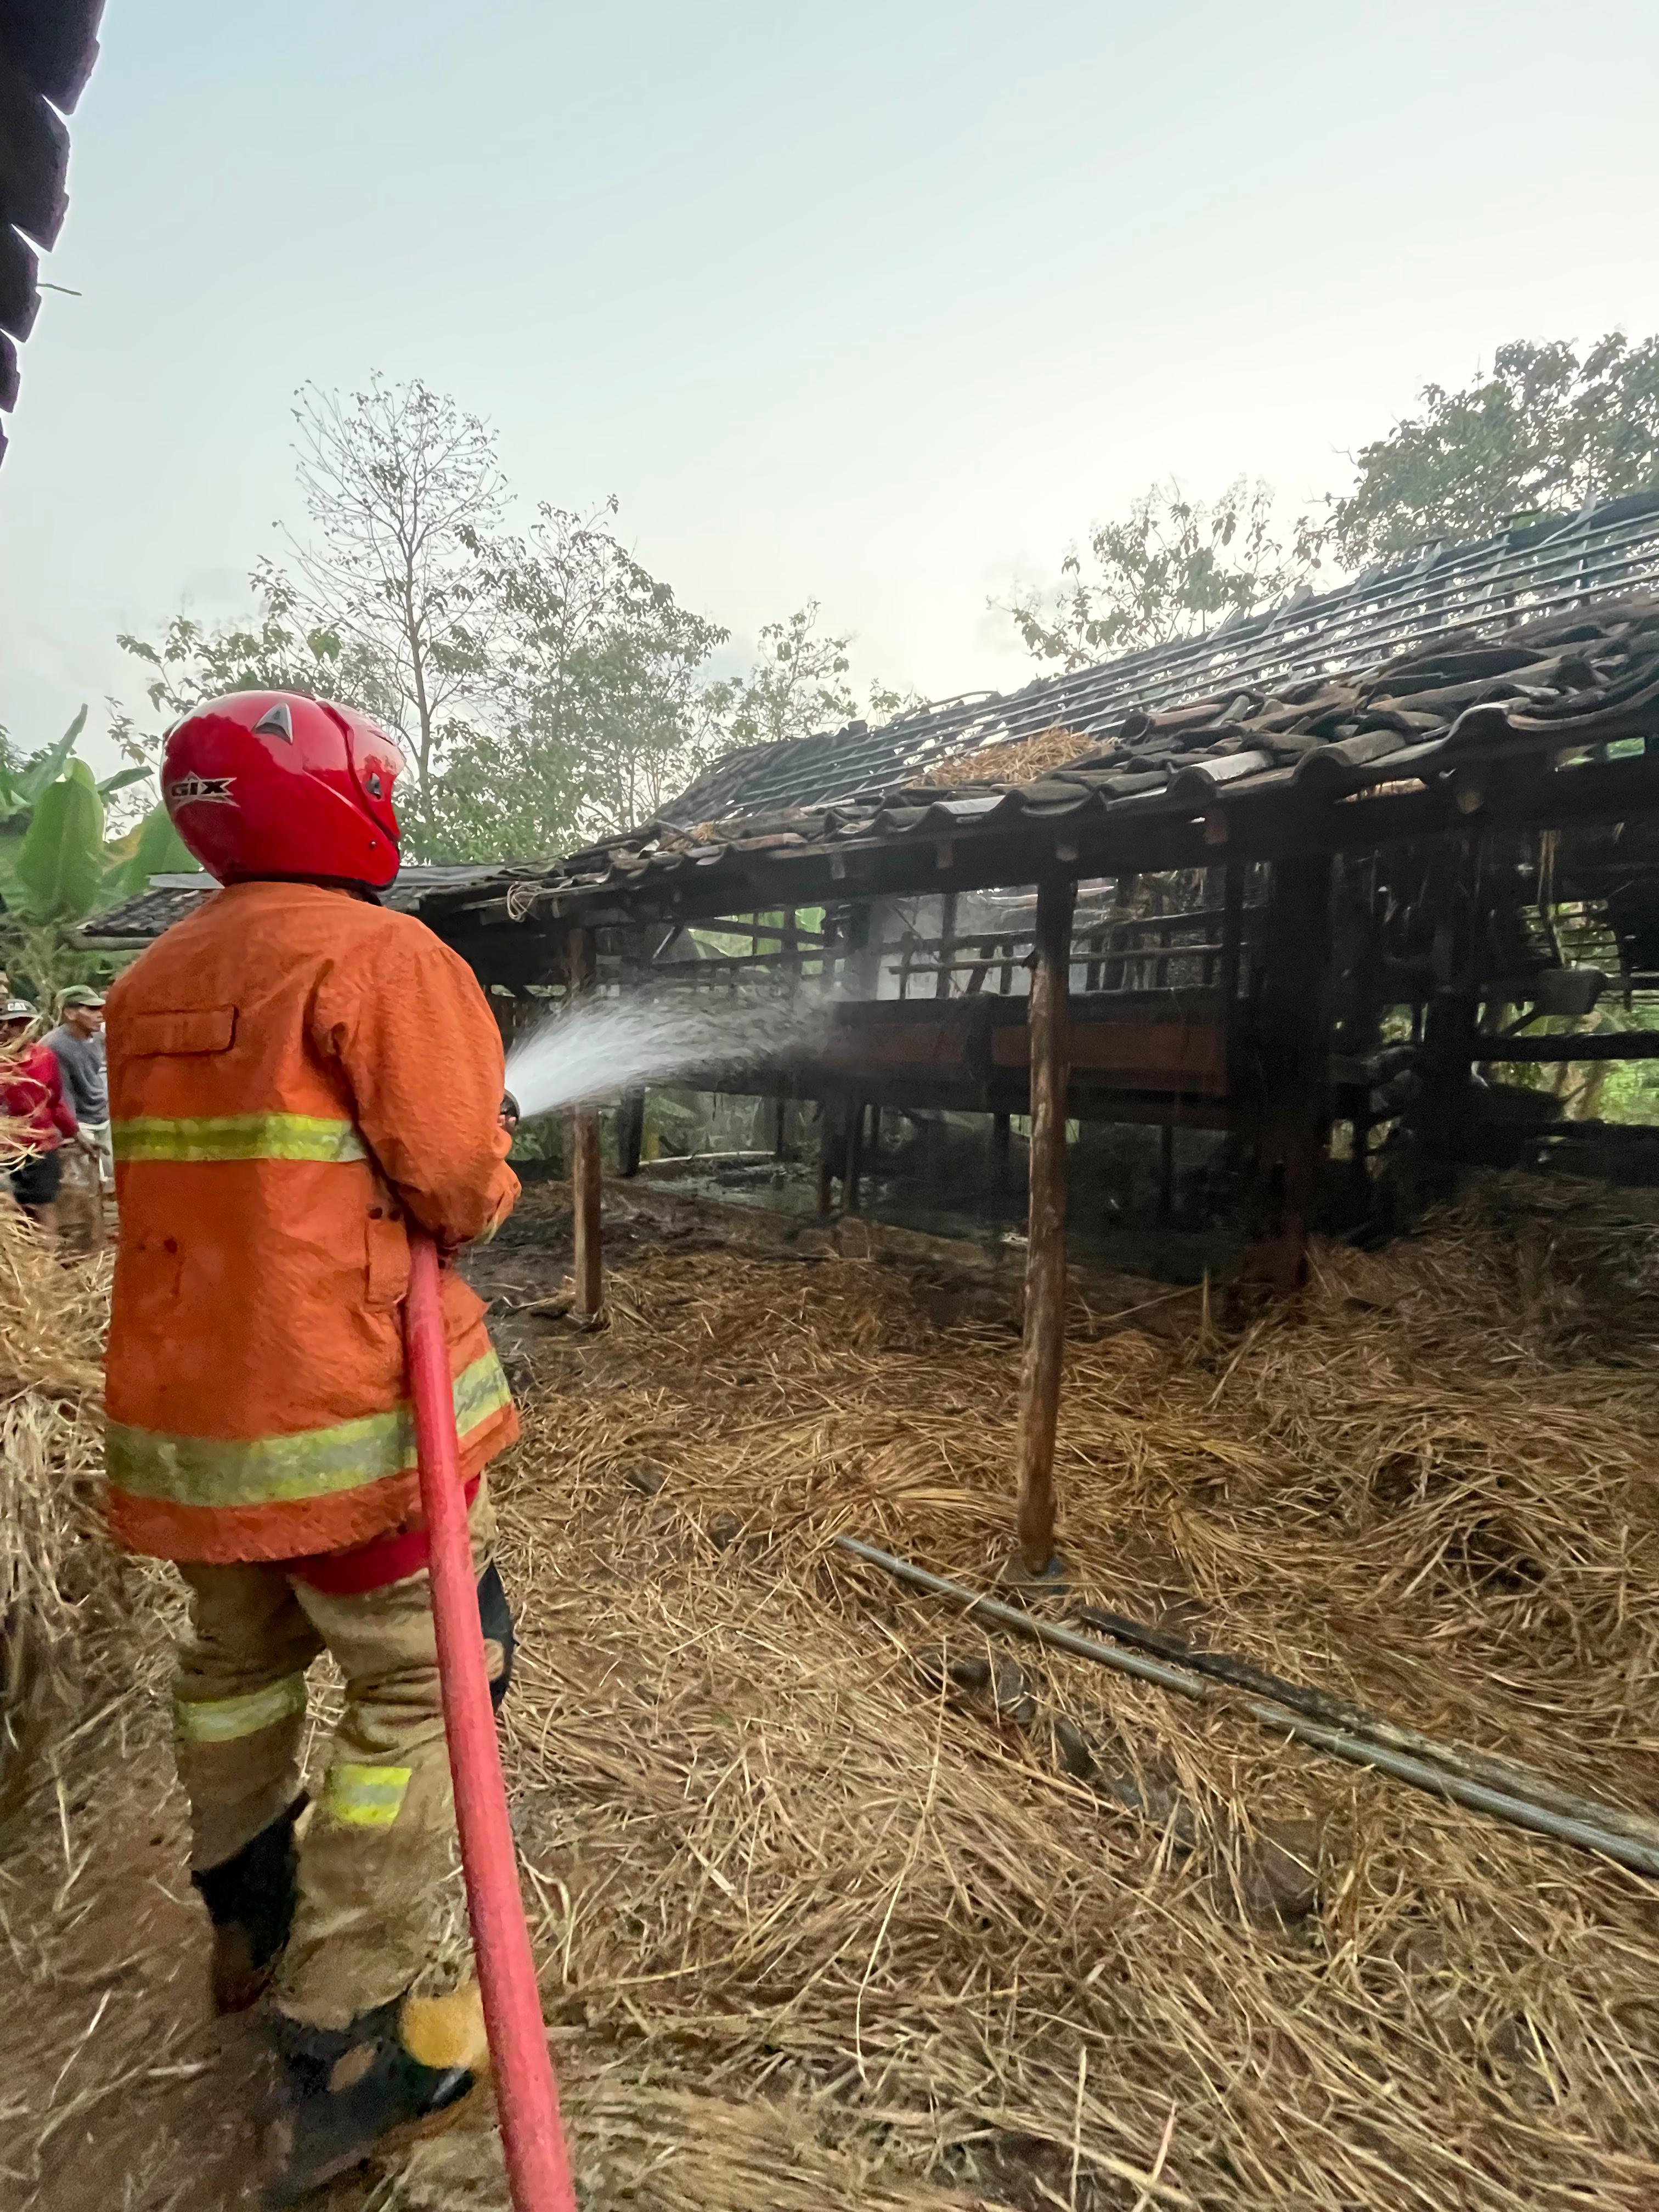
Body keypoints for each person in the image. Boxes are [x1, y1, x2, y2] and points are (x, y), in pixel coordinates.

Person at [103, 691, 521, 2204]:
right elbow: (457, 1186)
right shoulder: (380, 958)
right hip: (348, 1429)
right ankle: (346, 2031)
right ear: (346, 801)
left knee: (232, 1672)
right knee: (425, 1687)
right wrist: (497, 1159)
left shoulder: (149, 979)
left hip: (196, 1436)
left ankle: (243, 1902)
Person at [1, 996, 78, 1234]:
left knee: (45, 1206)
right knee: (8, 1205)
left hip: (40, 1146)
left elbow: (54, 1100)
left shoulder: (45, 1057)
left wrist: (75, 1133)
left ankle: (46, 1265)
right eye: (13, 1024)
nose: (17, 1030)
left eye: (24, 1023)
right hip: (6, 1148)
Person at [44, 984, 113, 1193]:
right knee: (89, 1187)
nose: (99, 1015)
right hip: (79, 1123)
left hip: (103, 1117)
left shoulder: (99, 1038)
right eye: (91, 1009)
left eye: (100, 1009)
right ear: (71, 1013)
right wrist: (73, 1134)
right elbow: (59, 1095)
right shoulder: (54, 1047)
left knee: (114, 1180)